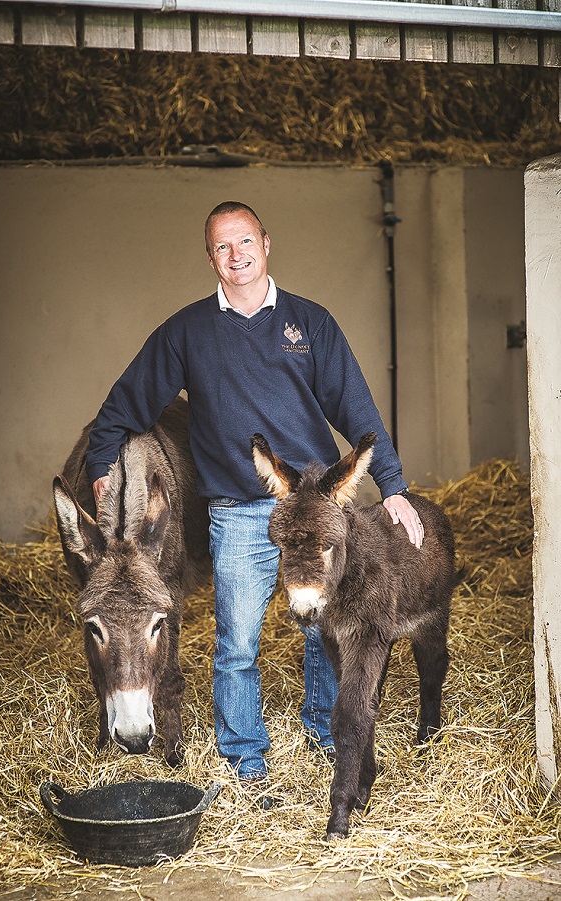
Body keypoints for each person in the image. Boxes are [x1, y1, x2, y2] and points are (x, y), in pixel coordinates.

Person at [85, 200, 424, 789]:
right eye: (222, 246)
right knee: (237, 643)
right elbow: (127, 400)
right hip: (238, 512)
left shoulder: (308, 322)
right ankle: (245, 758)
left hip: (313, 510)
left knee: (323, 630)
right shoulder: (186, 331)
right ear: (210, 258)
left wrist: (393, 487)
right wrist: (98, 462)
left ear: (266, 243)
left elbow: (356, 408)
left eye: (245, 242)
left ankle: (323, 731)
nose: (236, 255)